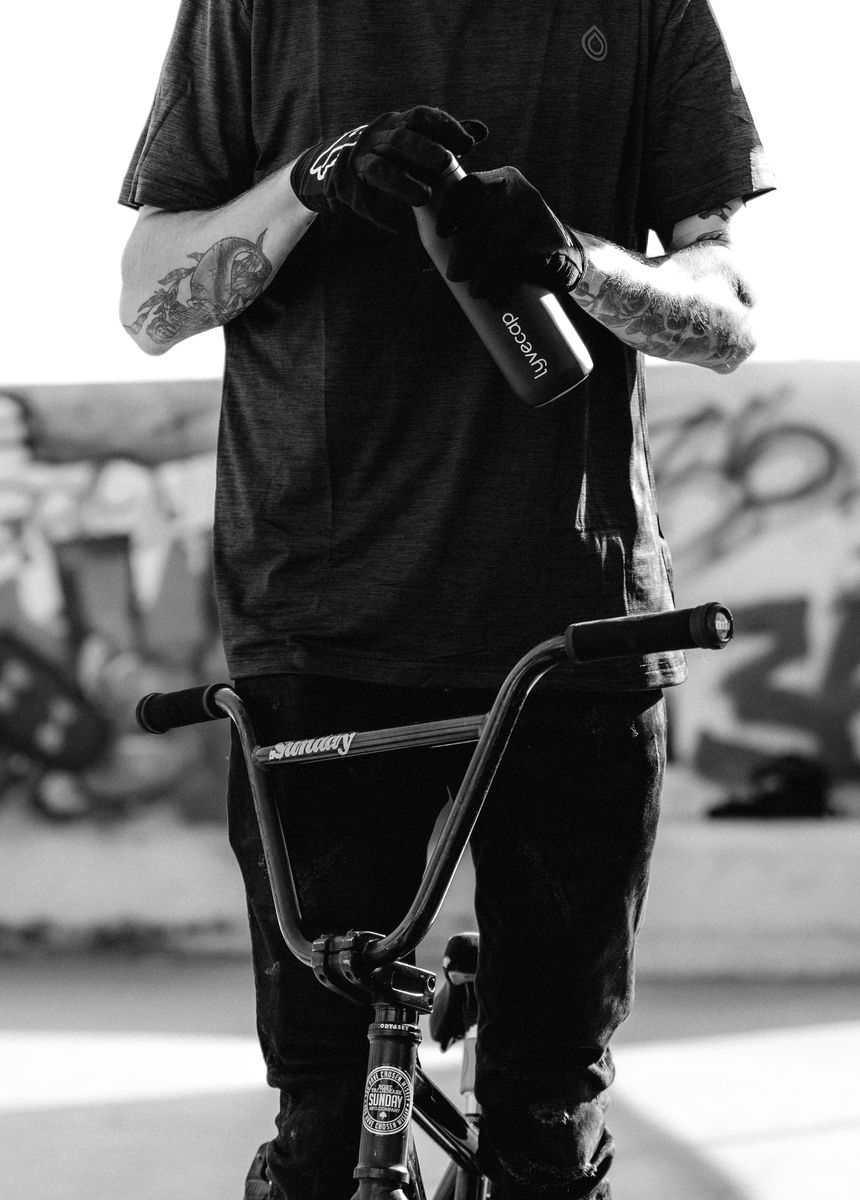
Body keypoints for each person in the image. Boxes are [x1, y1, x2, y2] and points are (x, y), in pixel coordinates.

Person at [119, 3, 774, 1197]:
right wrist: (311, 183)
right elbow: (151, 300)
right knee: (322, 1131)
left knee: (544, 1134)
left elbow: (725, 316)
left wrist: (571, 260)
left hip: (573, 630)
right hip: (315, 622)